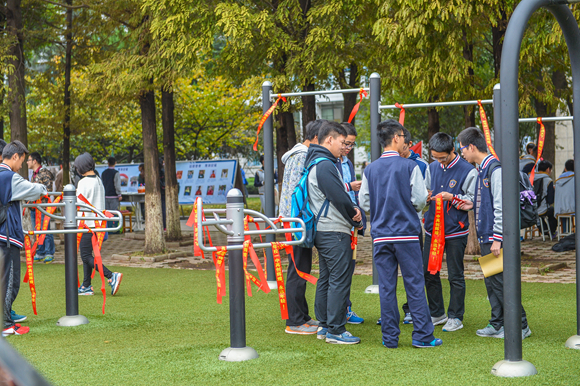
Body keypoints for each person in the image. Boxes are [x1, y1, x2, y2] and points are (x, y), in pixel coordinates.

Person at [359, 119, 441, 349]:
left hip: (381, 235)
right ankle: (423, 336)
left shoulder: (370, 169)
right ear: (396, 137)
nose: (406, 142)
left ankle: (390, 338)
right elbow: (419, 199)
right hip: (406, 234)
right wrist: (412, 206)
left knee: (386, 287)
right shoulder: (410, 166)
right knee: (414, 284)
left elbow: (364, 202)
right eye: (404, 138)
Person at [457, 127, 531, 339]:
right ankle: (497, 322)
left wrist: (498, 239)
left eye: (462, 148)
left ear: (471, 147)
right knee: (492, 281)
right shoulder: (483, 169)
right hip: (487, 237)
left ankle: (521, 325)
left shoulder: (494, 170)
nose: (461, 153)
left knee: (501, 282)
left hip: (494, 238)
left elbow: (501, 207)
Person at [306, 121, 362, 344]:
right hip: (333, 230)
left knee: (327, 278)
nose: (344, 147)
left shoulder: (315, 161)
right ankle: (336, 330)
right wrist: (354, 215)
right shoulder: (326, 164)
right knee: (338, 279)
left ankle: (324, 325)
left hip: (323, 229)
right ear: (329, 140)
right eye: (342, 142)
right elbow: (339, 197)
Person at [420, 133, 476, 332]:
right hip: (432, 230)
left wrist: (451, 197)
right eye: (435, 157)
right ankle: (437, 313)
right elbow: (425, 191)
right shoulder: (431, 167)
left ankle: (455, 316)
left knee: (455, 275)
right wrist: (426, 197)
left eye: (442, 157)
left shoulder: (468, 170)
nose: (439, 161)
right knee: (429, 271)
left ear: (453, 150)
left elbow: (471, 202)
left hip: (455, 231)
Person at [280, 119, 322, 335]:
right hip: (296, 221)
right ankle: (294, 321)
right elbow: (300, 193)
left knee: (301, 268)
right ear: (316, 138)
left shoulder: (298, 155)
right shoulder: (302, 156)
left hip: (296, 220)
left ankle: (302, 316)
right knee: (297, 270)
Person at [1, 141, 48, 337]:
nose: (21, 165)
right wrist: (44, 190)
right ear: (14, 156)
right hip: (7, 235)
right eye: (21, 160)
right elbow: (35, 190)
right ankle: (6, 324)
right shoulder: (8, 177)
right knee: (9, 281)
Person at [75, 153, 123, 297]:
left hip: (87, 224)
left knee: (85, 256)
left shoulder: (83, 182)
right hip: (97, 224)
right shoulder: (97, 179)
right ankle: (86, 285)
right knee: (87, 255)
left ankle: (110, 275)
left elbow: (78, 203)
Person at [395, 128, 430, 325]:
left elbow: (423, 196)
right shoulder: (386, 164)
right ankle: (389, 313)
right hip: (391, 226)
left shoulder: (421, 166)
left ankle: (411, 310)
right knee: (389, 272)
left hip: (413, 224)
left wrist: (425, 199)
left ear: (408, 144)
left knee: (413, 271)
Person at [336, 122, 365, 325]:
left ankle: (345, 308)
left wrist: (359, 214)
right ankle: (335, 314)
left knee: (349, 267)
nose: (348, 148)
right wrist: (348, 186)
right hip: (336, 221)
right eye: (346, 143)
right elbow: (331, 189)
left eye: (351, 145)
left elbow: (353, 194)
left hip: (351, 219)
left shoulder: (347, 162)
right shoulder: (328, 162)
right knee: (338, 270)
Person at [27, 151, 56, 264]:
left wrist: (34, 195)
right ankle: (41, 251)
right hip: (34, 207)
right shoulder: (34, 174)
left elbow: (47, 190)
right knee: (37, 230)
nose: (27, 162)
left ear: (34, 161)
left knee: (46, 230)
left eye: (28, 160)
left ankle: (49, 253)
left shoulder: (45, 173)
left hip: (44, 207)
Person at [534, 160, 556, 235]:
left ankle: (543, 229)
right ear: (548, 169)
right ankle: (551, 231)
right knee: (553, 211)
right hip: (542, 208)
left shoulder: (531, 178)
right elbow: (550, 200)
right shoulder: (548, 180)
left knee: (539, 215)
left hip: (531, 209)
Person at [101, 157, 122, 230]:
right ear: (115, 163)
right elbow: (117, 185)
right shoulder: (116, 173)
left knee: (107, 213)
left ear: (108, 163)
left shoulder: (103, 173)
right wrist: (119, 194)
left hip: (105, 196)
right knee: (114, 213)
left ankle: (108, 228)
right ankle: (114, 228)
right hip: (113, 196)